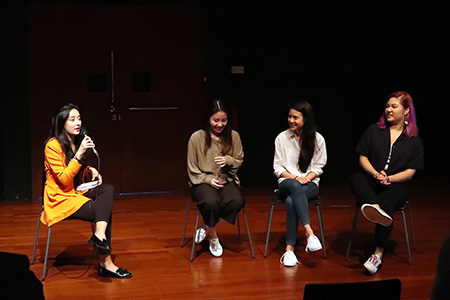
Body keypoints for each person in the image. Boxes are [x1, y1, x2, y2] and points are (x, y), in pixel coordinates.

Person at [41, 103, 132, 279]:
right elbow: (63, 178)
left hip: (74, 192)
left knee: (107, 190)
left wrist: (89, 169)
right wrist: (80, 153)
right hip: (60, 198)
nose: (78, 123)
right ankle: (106, 263)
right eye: (72, 119)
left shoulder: (74, 141)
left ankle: (99, 235)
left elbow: (74, 170)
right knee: (102, 211)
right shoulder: (52, 146)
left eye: (79, 119)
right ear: (62, 123)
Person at [351, 91, 424, 275]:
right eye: (387, 106)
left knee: (388, 201)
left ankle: (377, 254)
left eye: (394, 106)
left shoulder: (414, 140)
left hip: (395, 183)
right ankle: (374, 207)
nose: (388, 110)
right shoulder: (374, 130)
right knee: (356, 178)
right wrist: (376, 174)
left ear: (407, 111)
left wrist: (389, 178)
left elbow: (410, 172)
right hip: (373, 178)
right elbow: (362, 158)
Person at [187, 99, 245, 257]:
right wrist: (207, 180)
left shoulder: (234, 136)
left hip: (226, 178)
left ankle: (206, 227)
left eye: (224, 120)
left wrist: (228, 160)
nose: (220, 124)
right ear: (208, 119)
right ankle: (213, 237)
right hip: (202, 180)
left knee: (236, 201)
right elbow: (192, 168)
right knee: (211, 202)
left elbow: (239, 160)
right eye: (216, 120)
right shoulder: (197, 137)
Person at [273, 100, 327, 267]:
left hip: (309, 184)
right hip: (286, 182)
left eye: (295, 117)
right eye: (289, 116)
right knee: (295, 187)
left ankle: (289, 249)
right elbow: (277, 167)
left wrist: (307, 178)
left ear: (306, 119)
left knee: (291, 201)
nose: (291, 120)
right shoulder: (281, 138)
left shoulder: (317, 139)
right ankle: (309, 232)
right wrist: (295, 178)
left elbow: (319, 166)